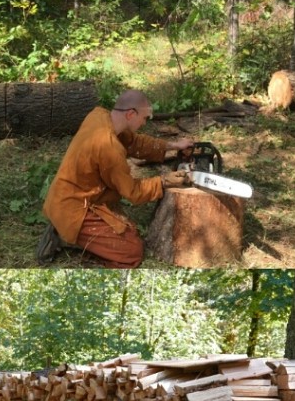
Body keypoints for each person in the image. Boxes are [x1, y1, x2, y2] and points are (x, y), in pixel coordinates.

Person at [36, 90, 195, 269]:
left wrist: (173, 145)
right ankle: (65, 237)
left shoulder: (100, 116)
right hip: (74, 208)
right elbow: (133, 192)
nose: (144, 123)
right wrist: (164, 181)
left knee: (129, 228)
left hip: (71, 196)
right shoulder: (109, 146)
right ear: (130, 114)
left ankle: (67, 229)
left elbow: (135, 143)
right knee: (131, 251)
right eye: (144, 118)